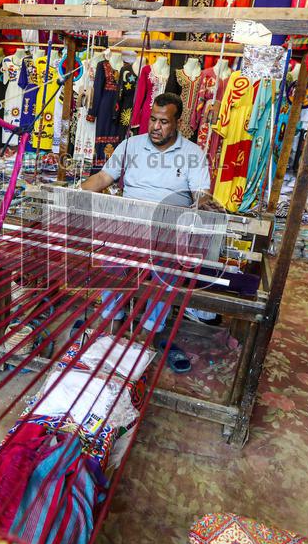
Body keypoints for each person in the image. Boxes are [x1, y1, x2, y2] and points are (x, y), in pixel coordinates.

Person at [79, 92, 220, 371]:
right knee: (108, 259)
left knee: (165, 270)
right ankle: (113, 319)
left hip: (168, 228)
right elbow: (103, 178)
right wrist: (73, 193)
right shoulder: (130, 145)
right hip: (129, 222)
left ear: (178, 123)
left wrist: (205, 204)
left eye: (164, 122)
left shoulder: (193, 154)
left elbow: (201, 194)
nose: (156, 127)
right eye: (153, 119)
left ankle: (149, 330)